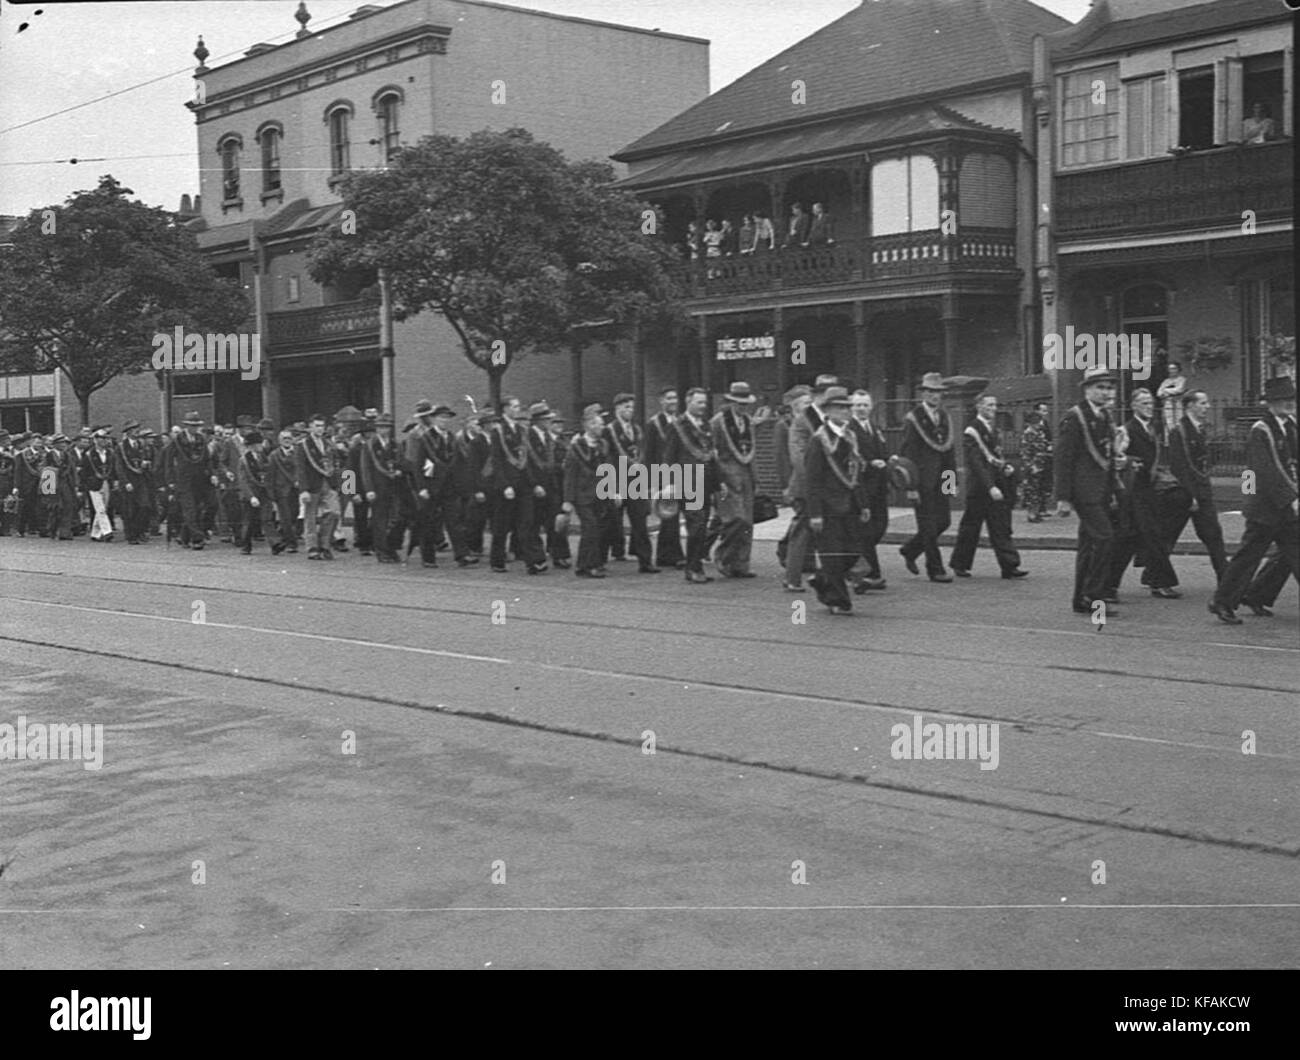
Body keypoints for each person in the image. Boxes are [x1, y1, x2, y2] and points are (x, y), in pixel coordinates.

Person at [1209, 376, 1298, 624]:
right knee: (1247, 558)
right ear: (1271, 403)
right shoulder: (1261, 430)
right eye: (1282, 400)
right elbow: (1267, 469)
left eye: (1291, 399)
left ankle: (1256, 594)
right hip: (1265, 509)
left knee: (1292, 555)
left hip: (1286, 509)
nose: (1289, 403)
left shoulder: (1290, 426)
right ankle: (1222, 602)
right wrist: (1292, 497)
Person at [1055, 367, 1123, 614]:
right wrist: (1062, 497)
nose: (1106, 392)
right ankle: (1094, 595)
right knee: (1105, 538)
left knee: (1088, 545)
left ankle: (1080, 599)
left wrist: (1114, 488)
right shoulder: (1075, 417)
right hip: (1084, 492)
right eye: (1100, 388)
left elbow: (1107, 455)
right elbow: (1064, 459)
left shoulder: (1104, 416)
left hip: (1101, 490)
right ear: (1086, 390)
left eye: (1109, 388)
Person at [1108, 389, 1180, 599]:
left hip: (1147, 490)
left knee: (1138, 538)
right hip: (1131, 493)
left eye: (1150, 403)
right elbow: (1116, 458)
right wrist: (1129, 462)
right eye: (1143, 403)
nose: (1149, 406)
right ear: (1133, 406)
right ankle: (1158, 582)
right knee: (1142, 537)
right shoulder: (1126, 430)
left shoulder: (1153, 428)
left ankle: (1115, 585)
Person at [806, 387, 869, 615]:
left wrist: (863, 504)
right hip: (827, 505)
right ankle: (839, 601)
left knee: (852, 551)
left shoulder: (850, 436)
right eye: (839, 408)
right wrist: (814, 513)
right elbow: (812, 480)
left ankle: (823, 578)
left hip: (850, 503)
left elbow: (856, 473)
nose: (845, 412)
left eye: (847, 407)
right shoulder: (819, 440)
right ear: (828, 411)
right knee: (832, 555)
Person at [950, 394, 1027, 579]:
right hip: (980, 489)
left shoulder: (992, 428)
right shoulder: (972, 430)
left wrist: (1005, 468)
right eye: (989, 405)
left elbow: (995, 457)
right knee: (970, 529)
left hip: (996, 485)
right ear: (979, 407)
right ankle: (960, 565)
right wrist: (990, 486)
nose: (993, 408)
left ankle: (1009, 566)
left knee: (1000, 527)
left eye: (995, 405)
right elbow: (976, 463)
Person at [898, 372, 957, 582]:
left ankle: (911, 550)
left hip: (941, 479)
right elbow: (908, 453)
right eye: (931, 391)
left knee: (943, 522)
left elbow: (949, 452)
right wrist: (911, 486)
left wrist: (950, 483)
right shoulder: (913, 418)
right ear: (924, 393)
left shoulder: (944, 416)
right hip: (921, 481)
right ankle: (935, 569)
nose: (935, 396)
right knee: (928, 526)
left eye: (938, 392)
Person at [1164, 389, 1228, 581]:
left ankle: (1226, 579)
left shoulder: (1200, 428)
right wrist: (1190, 494)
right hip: (1187, 493)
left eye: (1207, 403)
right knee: (1168, 535)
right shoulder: (1179, 431)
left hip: (1202, 491)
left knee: (1213, 534)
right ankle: (1155, 575)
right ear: (1190, 406)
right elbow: (1180, 466)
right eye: (1203, 403)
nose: (1207, 407)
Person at [781, 375, 837, 592]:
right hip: (807, 488)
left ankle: (852, 573)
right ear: (816, 396)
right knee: (802, 532)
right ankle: (792, 578)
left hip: (831, 486)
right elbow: (798, 457)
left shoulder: (830, 419)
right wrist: (816, 485)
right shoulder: (803, 420)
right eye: (825, 394)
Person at [488, 396, 548, 575]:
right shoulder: (497, 431)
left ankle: (534, 561)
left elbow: (526, 459)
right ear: (505, 409)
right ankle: (497, 560)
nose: (517, 409)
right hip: (506, 485)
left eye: (518, 406)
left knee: (527, 522)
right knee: (502, 526)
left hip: (523, 484)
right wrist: (505, 485)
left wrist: (534, 483)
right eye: (513, 406)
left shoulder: (522, 430)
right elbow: (497, 460)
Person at [406, 400, 470, 569]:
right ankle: (428, 557)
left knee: (454, 521)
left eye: (447, 418)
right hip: (431, 485)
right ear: (434, 419)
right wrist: (422, 488)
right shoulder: (424, 438)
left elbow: (459, 462)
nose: (445, 421)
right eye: (441, 418)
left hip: (449, 486)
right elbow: (417, 465)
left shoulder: (451, 437)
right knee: (429, 522)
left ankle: (462, 555)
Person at [666, 387, 719, 584]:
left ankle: (695, 565)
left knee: (702, 524)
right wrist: (669, 483)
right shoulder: (677, 426)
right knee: (696, 525)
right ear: (688, 402)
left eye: (705, 403)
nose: (703, 406)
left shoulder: (705, 425)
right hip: (686, 480)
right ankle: (693, 568)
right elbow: (669, 457)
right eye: (699, 402)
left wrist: (717, 483)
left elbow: (712, 457)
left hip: (704, 482)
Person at [602, 393, 658, 573]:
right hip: (617, 479)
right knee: (610, 521)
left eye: (632, 407)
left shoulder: (637, 429)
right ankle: (601, 559)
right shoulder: (609, 430)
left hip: (636, 481)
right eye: (626, 407)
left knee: (640, 521)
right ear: (617, 408)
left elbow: (643, 456)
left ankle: (645, 560)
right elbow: (607, 459)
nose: (630, 411)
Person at [711, 381, 758, 578]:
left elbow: (753, 452)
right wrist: (717, 479)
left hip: (745, 474)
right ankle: (724, 556)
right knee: (734, 519)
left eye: (745, 403)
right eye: (739, 403)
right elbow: (713, 452)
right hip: (726, 474)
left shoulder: (748, 421)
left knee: (747, 522)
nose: (742, 407)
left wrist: (755, 478)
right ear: (731, 402)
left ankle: (741, 564)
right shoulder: (718, 422)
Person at [562, 404, 612, 578]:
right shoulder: (576, 447)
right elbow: (570, 474)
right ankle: (589, 565)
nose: (603, 427)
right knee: (590, 528)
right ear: (590, 425)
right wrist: (568, 500)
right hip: (583, 495)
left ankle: (586, 564)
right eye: (599, 424)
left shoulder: (603, 445)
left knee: (598, 530)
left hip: (600, 494)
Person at [847, 390, 890, 591]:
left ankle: (855, 564)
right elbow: (851, 457)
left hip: (879, 486)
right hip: (861, 485)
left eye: (865, 405)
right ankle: (871, 574)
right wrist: (870, 463)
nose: (862, 408)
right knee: (866, 530)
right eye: (858, 405)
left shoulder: (875, 427)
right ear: (851, 407)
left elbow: (883, 450)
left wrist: (890, 460)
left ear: (871, 406)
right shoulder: (850, 428)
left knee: (880, 526)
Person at [526, 402, 571, 570]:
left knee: (556, 521)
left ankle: (559, 555)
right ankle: (536, 559)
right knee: (533, 524)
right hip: (535, 487)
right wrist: (534, 484)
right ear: (536, 421)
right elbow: (526, 464)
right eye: (546, 419)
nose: (549, 423)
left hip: (551, 485)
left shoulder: (547, 437)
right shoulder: (527, 437)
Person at [643, 387, 684, 570]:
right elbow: (649, 454)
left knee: (679, 514)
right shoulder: (654, 424)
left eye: (675, 398)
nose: (673, 401)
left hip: (681, 474)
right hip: (663, 475)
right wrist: (651, 483)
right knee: (669, 515)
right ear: (661, 401)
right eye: (669, 398)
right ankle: (669, 554)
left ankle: (669, 553)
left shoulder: (681, 421)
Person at [166, 411, 219, 550]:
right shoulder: (177, 440)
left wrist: (212, 474)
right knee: (190, 510)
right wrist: (170, 481)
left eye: (196, 426)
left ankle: (184, 536)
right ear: (186, 426)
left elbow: (208, 459)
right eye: (192, 425)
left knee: (210, 505)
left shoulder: (201, 439)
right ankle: (197, 538)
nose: (194, 428)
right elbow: (168, 462)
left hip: (201, 479)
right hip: (183, 480)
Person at [360, 413, 408, 564]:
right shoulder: (366, 446)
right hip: (373, 486)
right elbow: (353, 469)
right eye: (380, 427)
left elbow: (401, 462)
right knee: (377, 520)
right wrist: (353, 490)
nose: (384, 430)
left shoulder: (395, 445)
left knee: (396, 518)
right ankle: (380, 550)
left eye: (387, 427)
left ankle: (390, 547)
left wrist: (400, 470)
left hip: (393, 486)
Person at [296, 413, 341, 561]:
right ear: (310, 427)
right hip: (311, 484)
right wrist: (303, 490)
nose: (320, 429)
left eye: (322, 426)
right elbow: (300, 469)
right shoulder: (303, 445)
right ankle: (312, 547)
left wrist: (342, 485)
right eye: (317, 426)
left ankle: (325, 544)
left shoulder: (328, 444)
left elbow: (336, 464)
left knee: (334, 512)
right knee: (310, 517)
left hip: (328, 483)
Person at [116, 421, 153, 544]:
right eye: (134, 429)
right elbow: (119, 466)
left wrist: (146, 464)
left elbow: (147, 458)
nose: (137, 431)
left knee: (145, 506)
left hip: (141, 479)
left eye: (137, 428)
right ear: (128, 432)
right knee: (129, 509)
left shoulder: (141, 445)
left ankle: (139, 531)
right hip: (128, 480)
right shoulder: (121, 447)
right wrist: (125, 482)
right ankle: (131, 535)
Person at [82, 427, 117, 542]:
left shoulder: (110, 453)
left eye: (105, 438)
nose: (104, 441)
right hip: (94, 484)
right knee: (100, 508)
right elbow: (84, 471)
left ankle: (95, 533)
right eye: (101, 439)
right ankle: (107, 531)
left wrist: (115, 480)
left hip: (106, 482)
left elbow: (114, 468)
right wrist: (86, 483)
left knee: (103, 508)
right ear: (95, 440)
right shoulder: (88, 454)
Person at [1021, 407, 1053, 522]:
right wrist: (1031, 466)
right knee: (1032, 491)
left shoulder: (1039, 433)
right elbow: (1026, 452)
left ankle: (1037, 512)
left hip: (1041, 465)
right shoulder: (1029, 434)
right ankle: (1031, 514)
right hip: (1033, 466)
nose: (1039, 424)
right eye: (1037, 422)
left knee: (1039, 490)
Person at [1156, 361, 1186, 435]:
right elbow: (1159, 393)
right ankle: (1169, 441)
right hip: (1168, 403)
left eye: (1174, 368)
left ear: (1178, 369)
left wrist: (1166, 390)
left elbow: (1179, 389)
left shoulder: (1182, 379)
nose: (1172, 371)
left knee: (1179, 422)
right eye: (1170, 369)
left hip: (1178, 402)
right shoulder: (1166, 381)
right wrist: (1168, 391)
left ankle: (1180, 440)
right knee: (1169, 422)